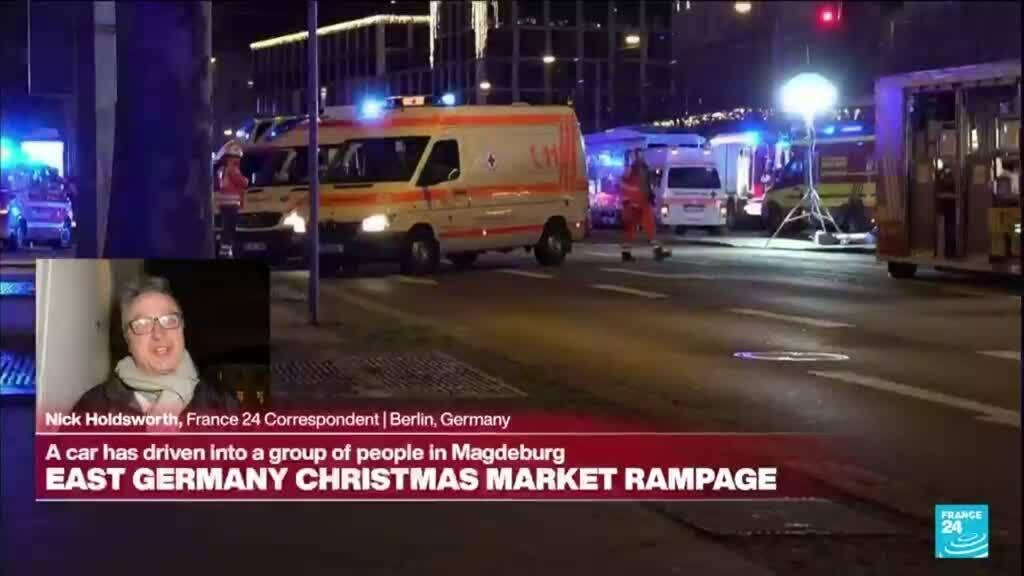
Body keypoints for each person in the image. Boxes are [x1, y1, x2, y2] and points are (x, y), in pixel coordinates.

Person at [72, 276, 239, 419]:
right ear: (127, 339)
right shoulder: (93, 408)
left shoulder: (223, 404)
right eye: (142, 324)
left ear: (182, 328)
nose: (158, 334)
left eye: (169, 320)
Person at [620, 151, 670, 262]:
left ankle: (626, 253)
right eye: (639, 154)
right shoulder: (636, 169)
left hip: (636, 202)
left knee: (632, 228)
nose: (641, 156)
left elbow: (641, 185)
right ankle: (657, 251)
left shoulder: (638, 169)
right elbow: (632, 186)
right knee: (648, 225)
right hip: (639, 202)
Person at [215, 140, 249, 258]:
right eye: (237, 157)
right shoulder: (232, 169)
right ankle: (226, 253)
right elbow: (242, 182)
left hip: (224, 204)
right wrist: (246, 180)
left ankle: (225, 252)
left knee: (226, 229)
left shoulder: (221, 170)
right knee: (230, 230)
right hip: (231, 205)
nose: (238, 160)